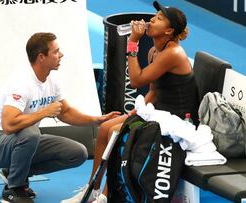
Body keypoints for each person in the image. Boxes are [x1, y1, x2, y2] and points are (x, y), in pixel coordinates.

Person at [61, 1, 199, 203]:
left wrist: (133, 41)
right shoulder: (155, 51)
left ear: (169, 31)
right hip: (158, 112)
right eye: (155, 15)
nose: (152, 19)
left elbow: (136, 81)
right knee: (104, 129)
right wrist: (137, 112)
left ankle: (108, 195)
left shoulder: (173, 53)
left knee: (115, 132)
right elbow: (153, 90)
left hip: (177, 121)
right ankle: (93, 189)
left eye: (159, 18)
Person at [0, 32, 120, 203]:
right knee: (31, 133)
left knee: (77, 153)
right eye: (56, 52)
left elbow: (66, 112)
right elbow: (8, 125)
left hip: (22, 141)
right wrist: (44, 112)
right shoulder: (21, 82)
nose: (61, 55)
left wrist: (96, 120)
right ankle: (14, 190)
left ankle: (13, 173)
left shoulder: (51, 80)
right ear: (41, 57)